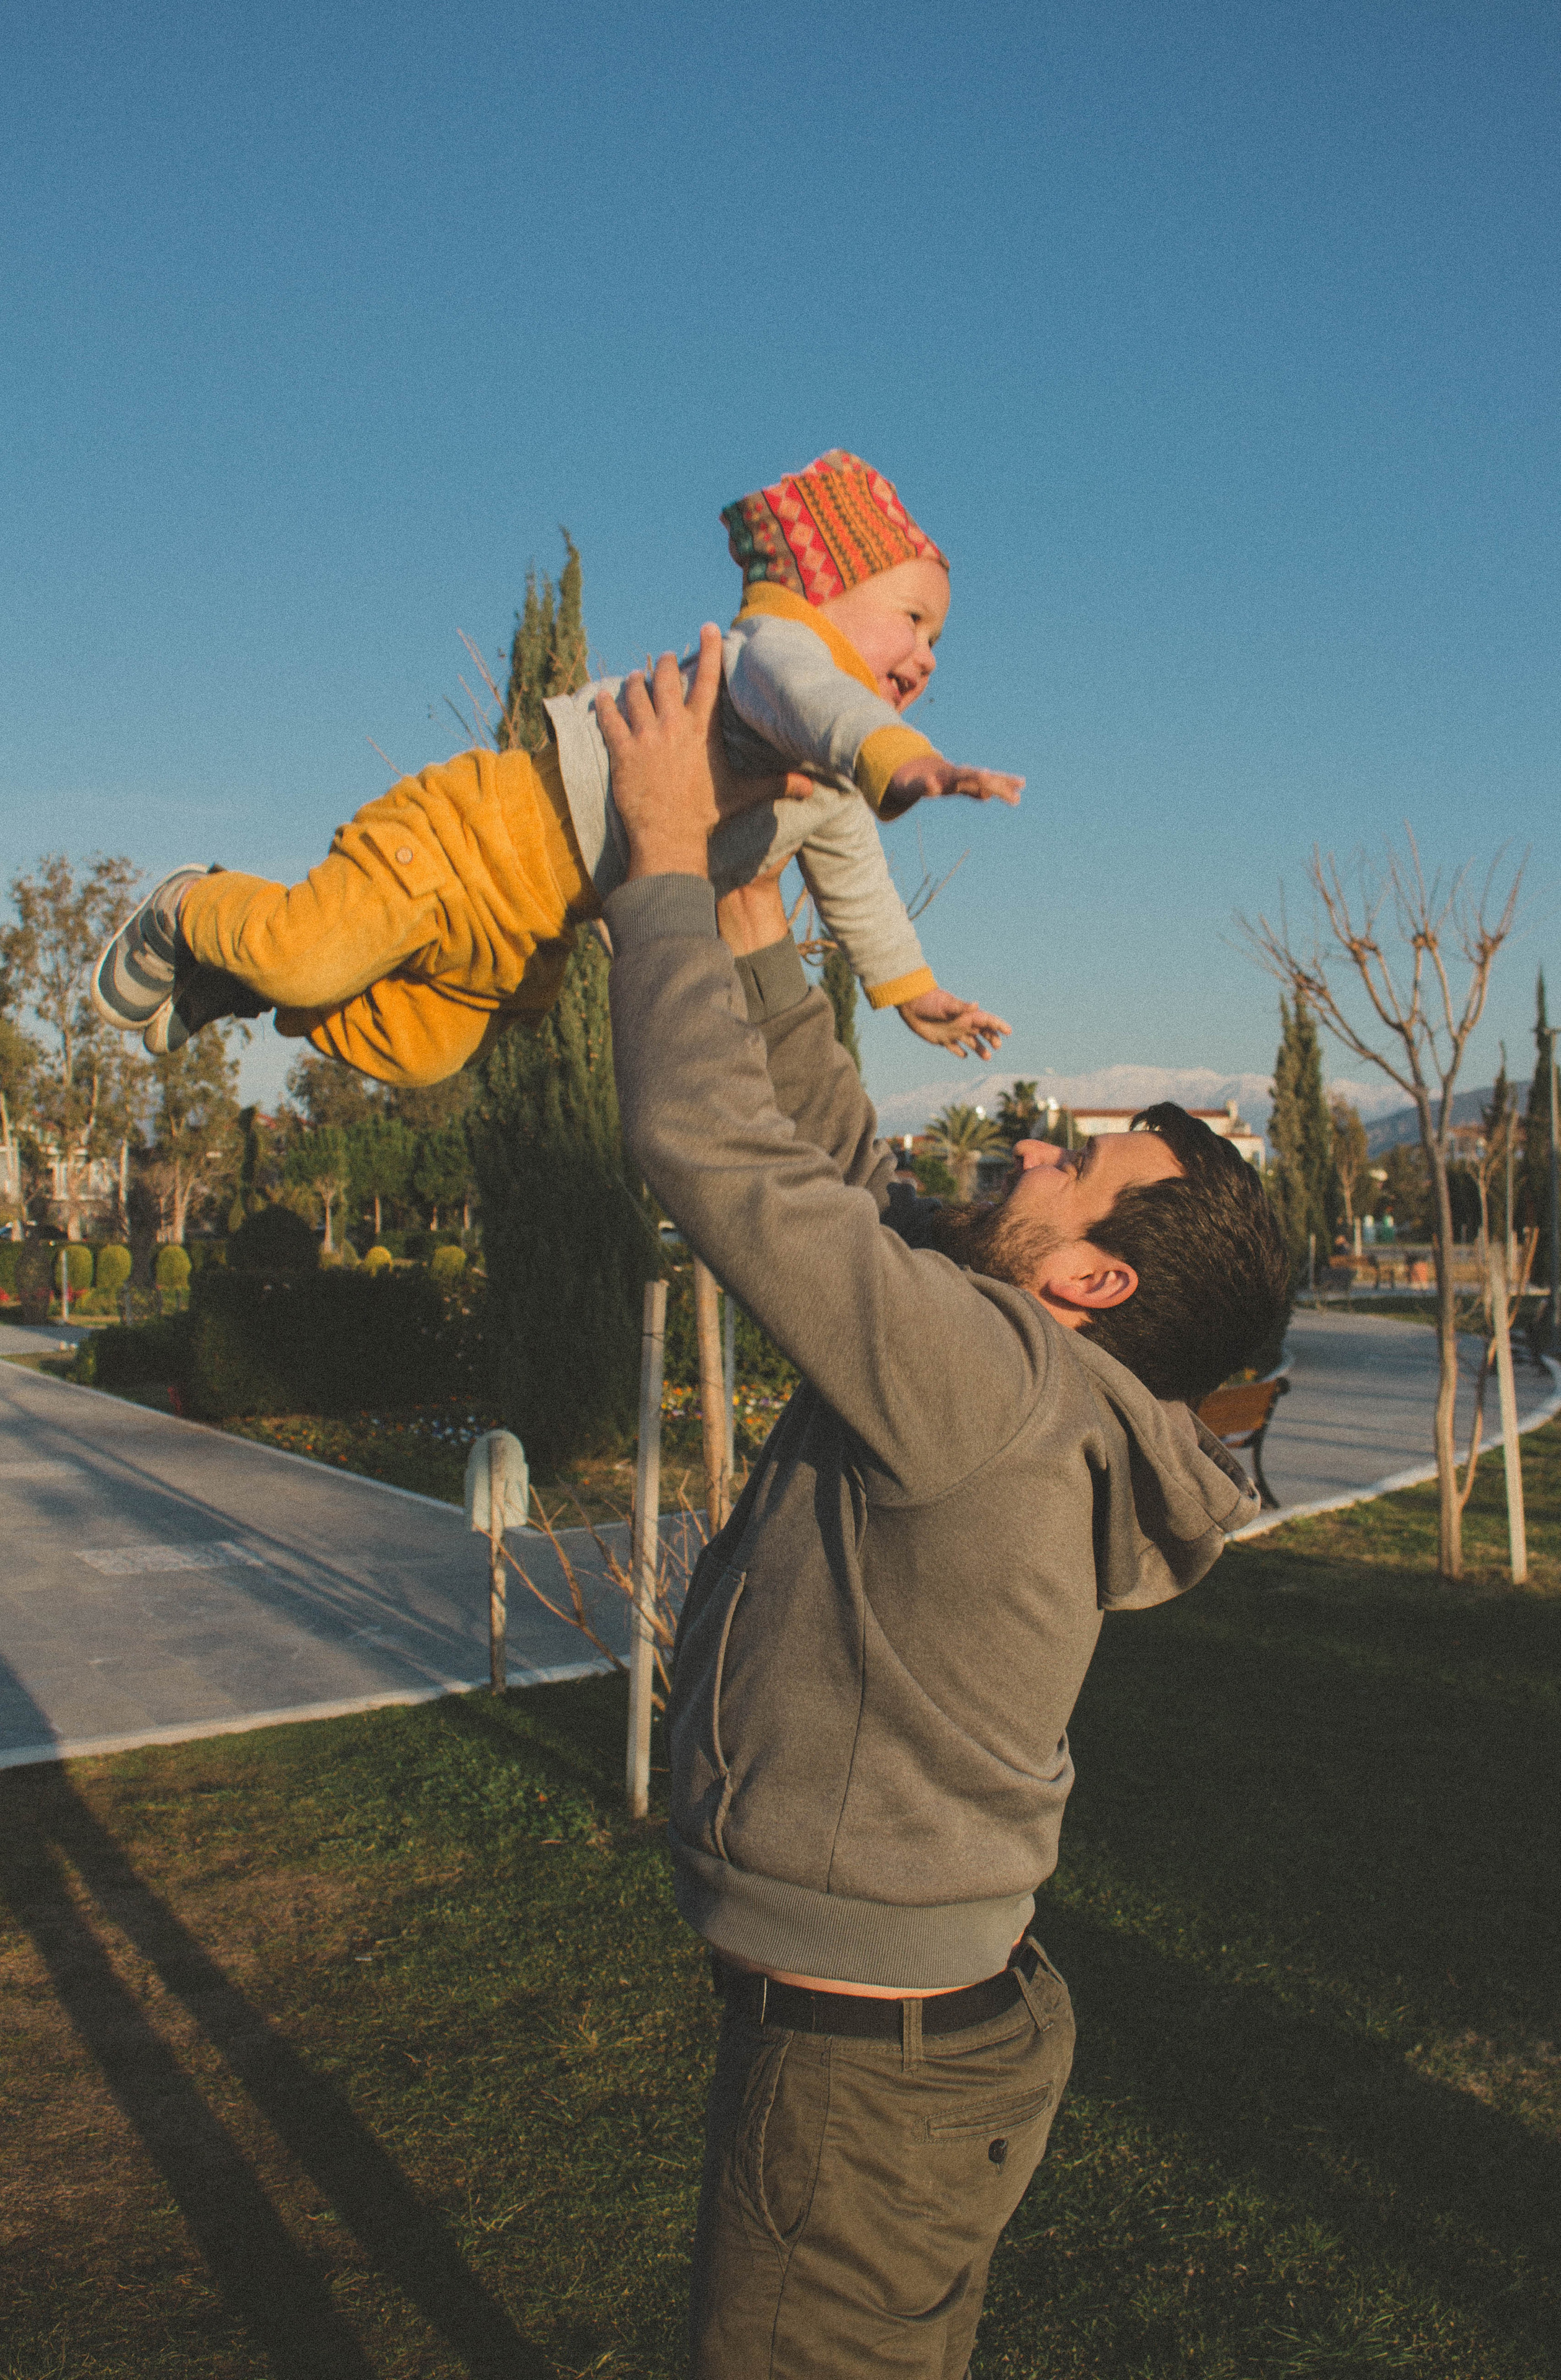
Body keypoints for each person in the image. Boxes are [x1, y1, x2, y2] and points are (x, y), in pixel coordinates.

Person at [596, 636, 1289, 2379]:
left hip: (865, 2073)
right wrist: (762, 933)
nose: (1033, 1146)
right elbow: (851, 1189)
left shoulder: (988, 1390)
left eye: (1080, 1165)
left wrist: (669, 860)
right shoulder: (1024, 1375)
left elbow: (717, 1158)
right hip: (909, 2039)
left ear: (1101, 1287)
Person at [88, 451, 1021, 1087]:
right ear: (821, 593)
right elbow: (824, 701)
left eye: (938, 640)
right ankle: (193, 908)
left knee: (419, 1054)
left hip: (527, 933)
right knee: (305, 952)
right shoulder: (766, 657)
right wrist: (912, 765)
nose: (928, 656)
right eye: (912, 620)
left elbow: (860, 884)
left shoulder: (832, 779)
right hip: (470, 843)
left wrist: (911, 990)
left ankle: (240, 982)